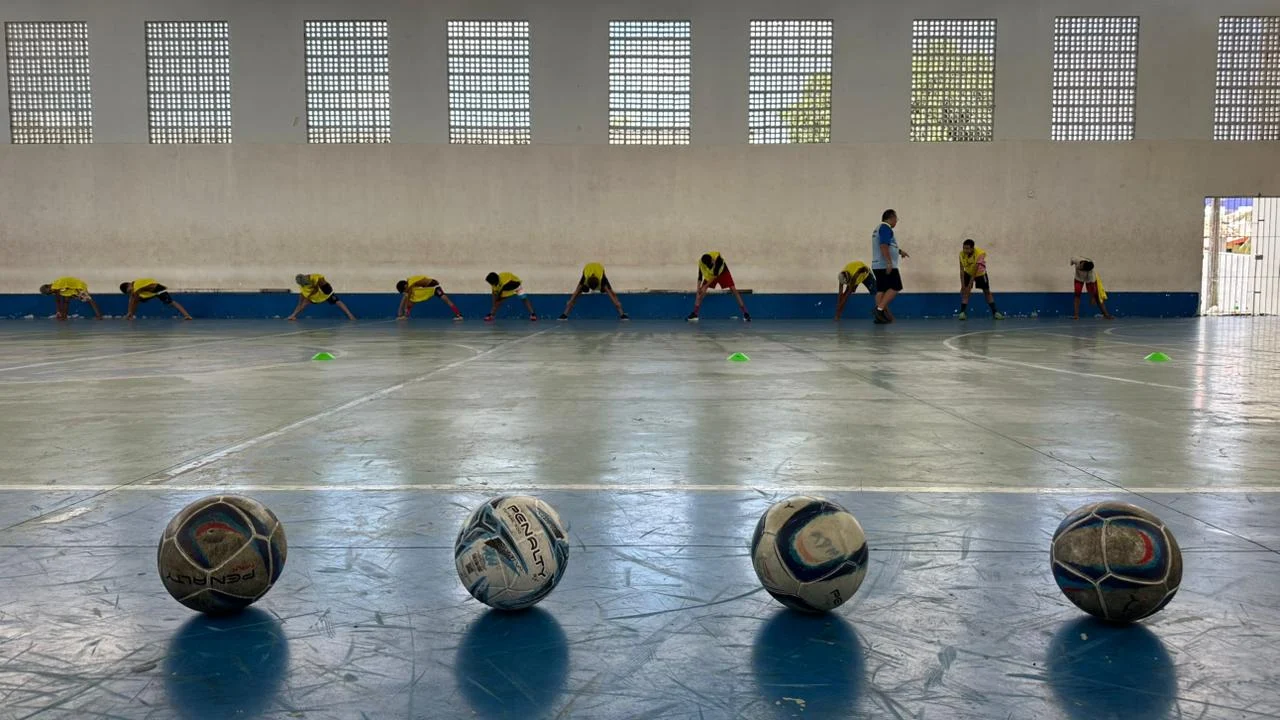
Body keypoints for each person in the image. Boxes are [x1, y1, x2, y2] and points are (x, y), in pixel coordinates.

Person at [688, 252, 750, 322]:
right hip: (711, 275)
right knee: (700, 292)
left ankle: (745, 313)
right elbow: (700, 276)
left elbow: (715, 276)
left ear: (713, 260)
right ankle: (695, 314)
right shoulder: (701, 262)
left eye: (711, 265)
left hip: (723, 272)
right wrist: (698, 288)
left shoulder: (718, 260)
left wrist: (705, 286)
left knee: (733, 290)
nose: (709, 266)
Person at [871, 209, 909, 323]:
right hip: (884, 265)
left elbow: (889, 245)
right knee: (896, 286)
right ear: (891, 218)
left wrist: (900, 251)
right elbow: (883, 245)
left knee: (881, 290)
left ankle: (879, 316)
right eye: (896, 219)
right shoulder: (885, 228)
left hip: (877, 265)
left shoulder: (879, 229)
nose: (896, 222)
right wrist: (889, 262)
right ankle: (879, 310)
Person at [559, 262, 629, 320]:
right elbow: (577, 290)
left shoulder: (602, 280)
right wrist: (571, 301)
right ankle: (565, 314)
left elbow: (610, 294)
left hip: (599, 269)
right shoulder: (585, 277)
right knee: (580, 290)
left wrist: (617, 303)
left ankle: (622, 314)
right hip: (588, 269)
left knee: (611, 292)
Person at [958, 240, 1004, 320]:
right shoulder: (961, 254)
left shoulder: (980, 253)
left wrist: (969, 285)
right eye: (964, 248)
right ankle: (962, 313)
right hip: (968, 272)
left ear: (972, 248)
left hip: (980, 273)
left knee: (987, 292)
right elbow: (962, 270)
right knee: (966, 292)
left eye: (967, 248)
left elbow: (975, 271)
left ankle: (995, 312)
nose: (965, 250)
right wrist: (963, 285)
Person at [287, 273, 356, 321]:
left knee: (337, 301)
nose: (304, 284)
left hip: (324, 290)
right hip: (314, 294)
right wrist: (310, 294)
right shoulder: (303, 287)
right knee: (303, 303)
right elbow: (308, 294)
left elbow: (319, 286)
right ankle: (293, 315)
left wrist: (315, 287)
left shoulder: (315, 277)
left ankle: (350, 315)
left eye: (305, 283)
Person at [120, 278, 193, 320]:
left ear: (129, 284)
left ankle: (187, 315)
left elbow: (134, 300)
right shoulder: (135, 288)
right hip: (150, 292)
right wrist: (130, 311)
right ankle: (130, 315)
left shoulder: (136, 285)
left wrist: (131, 312)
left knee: (171, 302)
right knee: (133, 298)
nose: (131, 292)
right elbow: (132, 300)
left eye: (130, 290)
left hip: (158, 289)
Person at [396, 275, 463, 320]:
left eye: (404, 290)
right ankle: (406, 315)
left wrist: (403, 311)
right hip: (430, 288)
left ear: (405, 286)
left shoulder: (410, 284)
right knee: (412, 298)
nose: (406, 292)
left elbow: (408, 298)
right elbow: (409, 298)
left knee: (447, 300)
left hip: (435, 288)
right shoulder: (410, 283)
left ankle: (459, 315)